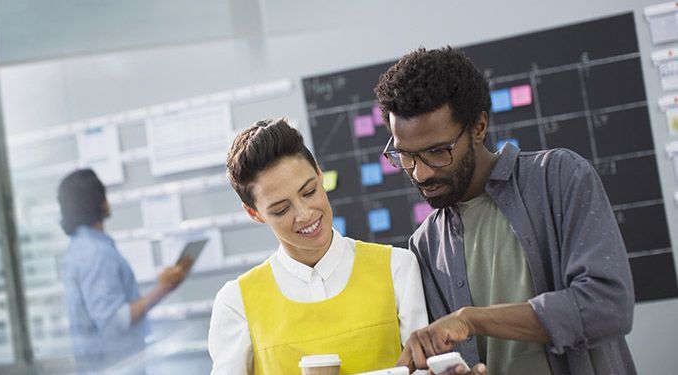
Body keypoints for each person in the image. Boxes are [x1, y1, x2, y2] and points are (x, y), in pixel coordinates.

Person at [373, 47, 636, 375]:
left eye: (437, 152)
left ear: (479, 127)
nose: (419, 173)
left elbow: (607, 307)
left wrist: (472, 320)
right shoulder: (425, 246)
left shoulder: (558, 177)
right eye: (405, 156)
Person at [208, 119, 428, 375]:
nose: (304, 215)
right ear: (254, 213)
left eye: (309, 191)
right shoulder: (237, 303)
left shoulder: (396, 268)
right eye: (281, 209)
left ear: (319, 173)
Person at [57, 169, 192, 373]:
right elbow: (113, 321)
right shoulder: (95, 253)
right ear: (98, 202)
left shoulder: (82, 247)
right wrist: (162, 289)